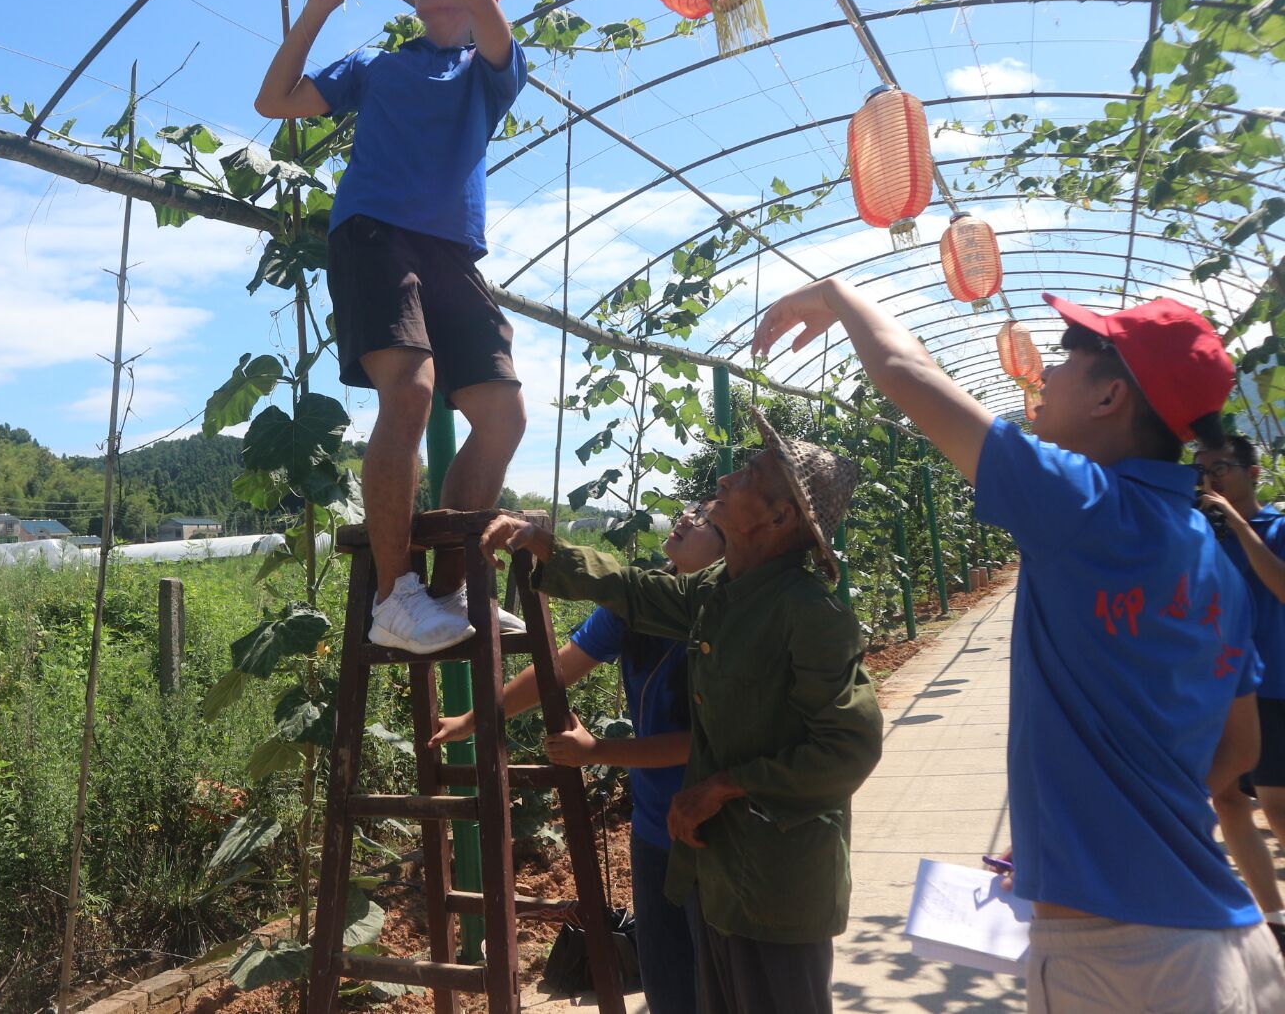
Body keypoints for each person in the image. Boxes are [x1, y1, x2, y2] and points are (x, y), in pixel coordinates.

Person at [753, 280, 1285, 1013]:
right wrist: (1091, 820)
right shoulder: (1212, 556)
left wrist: (839, 297)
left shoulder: (1083, 502)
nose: (1047, 374)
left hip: (1123, 962)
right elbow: (1237, 749)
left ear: (1110, 397)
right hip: (1226, 942)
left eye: (1067, 358)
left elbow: (909, 374)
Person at [482, 413, 881, 1014]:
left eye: (749, 474)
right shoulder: (719, 589)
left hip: (778, 880)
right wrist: (547, 546)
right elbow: (640, 593)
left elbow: (849, 749)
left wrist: (724, 785)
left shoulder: (809, 615)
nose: (725, 478)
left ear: (779, 518)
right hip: (718, 871)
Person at [253, 0, 529, 655]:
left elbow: (487, 7)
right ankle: (393, 596)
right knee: (409, 390)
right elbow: (274, 100)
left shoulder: (489, 70)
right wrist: (318, 10)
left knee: (502, 414)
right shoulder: (377, 64)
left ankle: (453, 588)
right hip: (374, 234)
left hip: (450, 253)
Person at [428, 512, 726, 1013]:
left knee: (719, 984)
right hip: (654, 824)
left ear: (731, 551)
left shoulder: (726, 618)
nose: (687, 517)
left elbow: (705, 743)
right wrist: (475, 719)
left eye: (708, 521)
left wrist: (599, 751)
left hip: (711, 828)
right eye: (693, 509)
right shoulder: (639, 601)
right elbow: (561, 667)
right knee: (668, 982)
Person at [1199, 432, 1285, 952]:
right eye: (1202, 471)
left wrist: (1236, 523)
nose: (1210, 481)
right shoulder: (1199, 534)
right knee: (1227, 800)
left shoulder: (1276, 528)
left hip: (1273, 685)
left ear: (1252, 474)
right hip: (1215, 688)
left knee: (1276, 805)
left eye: (1221, 469)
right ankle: (1274, 918)